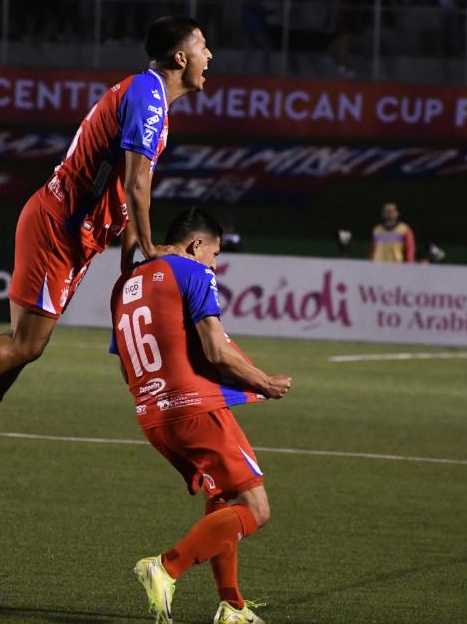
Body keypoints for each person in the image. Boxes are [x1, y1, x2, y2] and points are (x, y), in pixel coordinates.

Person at [0, 16, 214, 499]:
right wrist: (152, 250)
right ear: (180, 57)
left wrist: (131, 265)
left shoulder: (148, 99)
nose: (210, 57)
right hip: (58, 226)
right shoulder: (149, 99)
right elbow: (136, 185)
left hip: (72, 233)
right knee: (26, 344)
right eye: (203, 47)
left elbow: (125, 195)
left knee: (26, 346)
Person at [108, 208, 292, 624]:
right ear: (196, 244)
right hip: (195, 408)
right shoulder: (193, 273)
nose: (215, 263)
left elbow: (125, 363)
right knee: (255, 508)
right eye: (215, 253)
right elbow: (215, 350)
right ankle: (166, 566)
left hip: (153, 416)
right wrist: (263, 382)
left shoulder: (124, 285)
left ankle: (233, 607)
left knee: (221, 497)